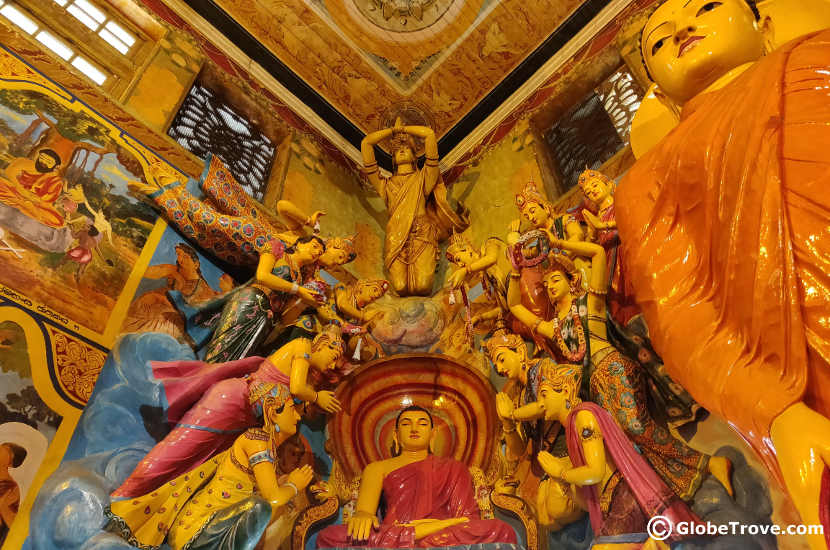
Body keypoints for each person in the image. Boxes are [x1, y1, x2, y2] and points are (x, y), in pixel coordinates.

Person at [615, 0, 830, 544]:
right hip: (794, 379)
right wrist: (775, 411)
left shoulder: (819, 56)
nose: (683, 28)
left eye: (706, 6)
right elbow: (681, 315)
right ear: (658, 94)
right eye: (659, 42)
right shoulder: (645, 182)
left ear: (765, 26)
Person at [505, 238, 732, 502]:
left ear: (571, 280)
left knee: (634, 425)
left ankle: (709, 462)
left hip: (614, 368)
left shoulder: (590, 305)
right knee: (627, 441)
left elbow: (599, 253)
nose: (550, 286)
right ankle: (677, 486)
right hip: (596, 389)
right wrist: (514, 269)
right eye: (546, 285)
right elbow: (514, 306)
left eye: (555, 279)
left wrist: (557, 242)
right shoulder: (554, 328)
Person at [112, 327, 344, 499]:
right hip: (232, 400)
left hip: (244, 418)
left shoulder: (304, 378)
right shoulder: (303, 346)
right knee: (178, 450)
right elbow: (295, 388)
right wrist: (316, 397)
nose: (333, 365)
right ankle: (123, 495)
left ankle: (145, 505)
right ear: (325, 345)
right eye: (334, 358)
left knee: (197, 467)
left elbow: (291, 408)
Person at [106, 387, 314, 550]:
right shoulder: (256, 440)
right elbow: (274, 497)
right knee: (259, 508)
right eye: (291, 409)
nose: (296, 417)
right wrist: (294, 485)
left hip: (216, 525)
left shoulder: (268, 450)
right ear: (272, 411)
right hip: (199, 527)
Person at [534, 363, 695, 549]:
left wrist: (561, 472)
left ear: (566, 390)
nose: (539, 403)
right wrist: (562, 480)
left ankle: (658, 541)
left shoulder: (584, 417)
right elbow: (587, 504)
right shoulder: (572, 431)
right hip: (611, 504)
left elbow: (595, 472)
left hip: (624, 497)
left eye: (544, 394)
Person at [316, 406, 517, 548]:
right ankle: (412, 537)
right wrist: (362, 516)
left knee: (501, 529)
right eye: (406, 424)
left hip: (439, 534)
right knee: (328, 536)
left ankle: (413, 538)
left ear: (432, 434)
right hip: (394, 532)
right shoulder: (377, 468)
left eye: (422, 424)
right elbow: (365, 513)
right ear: (396, 435)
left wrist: (436, 526)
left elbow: (466, 520)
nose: (414, 428)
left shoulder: (453, 468)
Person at [361, 118, 468, 296]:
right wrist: (392, 132)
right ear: (393, 159)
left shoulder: (423, 179)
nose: (402, 151)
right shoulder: (385, 185)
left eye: (407, 149)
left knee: (423, 286)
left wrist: (403, 129)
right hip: (396, 235)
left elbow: (430, 136)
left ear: (414, 156)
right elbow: (366, 143)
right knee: (401, 287)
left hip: (423, 233)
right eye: (397, 151)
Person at [0, 149, 66, 227]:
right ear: (37, 157)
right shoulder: (23, 162)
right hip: (15, 191)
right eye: (42, 158)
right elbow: (9, 173)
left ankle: (20, 204)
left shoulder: (55, 181)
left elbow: (46, 200)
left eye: (49, 162)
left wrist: (30, 198)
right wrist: (23, 191)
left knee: (58, 221)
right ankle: (21, 204)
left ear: (55, 166)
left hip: (35, 204)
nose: (43, 162)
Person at [0, 442, 26, 545]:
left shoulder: (11, 487)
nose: (0, 450)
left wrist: (3, 507)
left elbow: (11, 521)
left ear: (11, 463)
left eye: (6, 451)